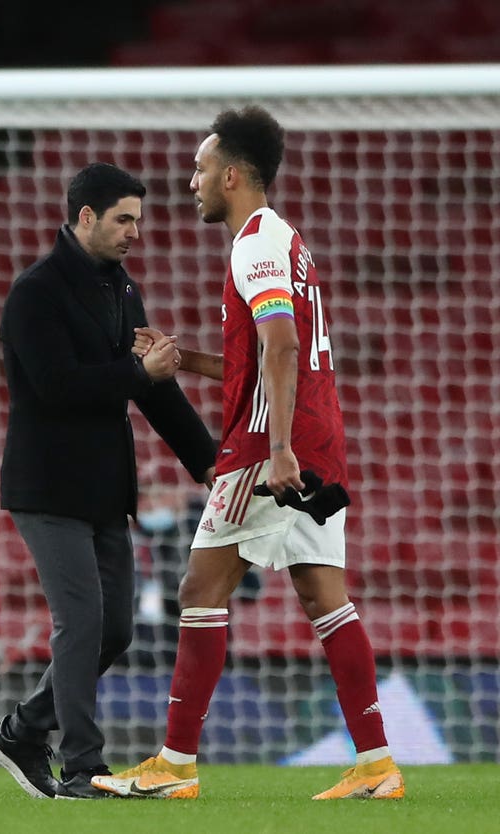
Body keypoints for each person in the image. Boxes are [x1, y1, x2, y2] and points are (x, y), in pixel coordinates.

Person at [91, 108, 404, 801]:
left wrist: (281, 449)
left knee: (200, 591)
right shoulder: (286, 242)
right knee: (327, 600)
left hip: (269, 450)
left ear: (231, 175)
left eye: (202, 169)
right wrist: (190, 360)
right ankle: (378, 764)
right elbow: (263, 357)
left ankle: (175, 764)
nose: (192, 180)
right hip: (317, 439)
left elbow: (283, 346)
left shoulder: (255, 245)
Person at [0, 162, 216, 800]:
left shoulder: (124, 291)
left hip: (105, 491)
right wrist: (141, 376)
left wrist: (208, 462)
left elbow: (155, 395)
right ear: (85, 217)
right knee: (82, 622)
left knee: (116, 629)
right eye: (124, 219)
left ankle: (22, 731)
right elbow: (56, 388)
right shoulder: (36, 293)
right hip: (47, 487)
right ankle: (82, 766)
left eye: (137, 220)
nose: (135, 232)